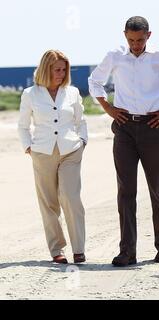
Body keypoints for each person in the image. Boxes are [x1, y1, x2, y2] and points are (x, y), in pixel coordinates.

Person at [88, 16, 159, 267]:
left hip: (153, 126)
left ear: (149, 35)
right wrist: (107, 107)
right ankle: (127, 251)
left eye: (139, 40)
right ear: (124, 35)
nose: (135, 45)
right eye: (130, 40)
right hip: (124, 127)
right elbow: (95, 82)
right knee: (126, 191)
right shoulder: (115, 55)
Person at [18, 50, 88, 264]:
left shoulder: (73, 92)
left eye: (64, 70)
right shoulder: (30, 94)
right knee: (48, 202)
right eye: (57, 69)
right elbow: (23, 126)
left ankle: (78, 249)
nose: (61, 73)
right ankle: (57, 249)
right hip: (42, 152)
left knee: (70, 197)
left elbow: (81, 121)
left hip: (70, 151)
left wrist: (82, 141)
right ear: (46, 69)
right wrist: (29, 148)